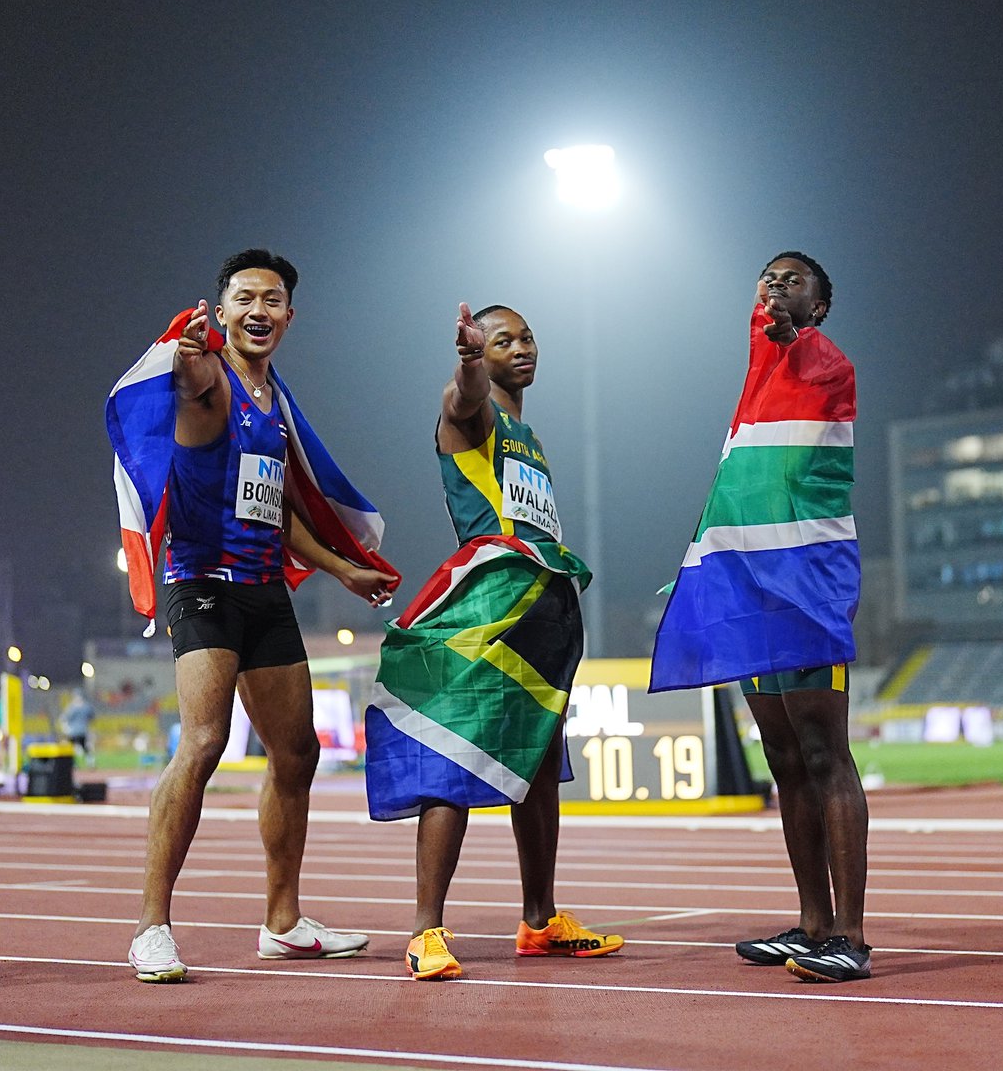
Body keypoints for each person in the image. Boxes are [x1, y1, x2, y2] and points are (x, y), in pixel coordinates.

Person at [107, 249, 400, 983]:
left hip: (265, 589)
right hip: (202, 581)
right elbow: (189, 381)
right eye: (244, 298)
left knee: (296, 753)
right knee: (203, 743)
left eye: (271, 300)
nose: (258, 311)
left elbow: (277, 513)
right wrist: (183, 356)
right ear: (224, 309)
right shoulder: (210, 380)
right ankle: (151, 928)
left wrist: (343, 569)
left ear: (289, 317)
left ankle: (283, 921)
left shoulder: (277, 408)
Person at [364, 302, 623, 980]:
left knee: (538, 763)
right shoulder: (470, 415)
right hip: (487, 608)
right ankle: (425, 932)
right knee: (455, 755)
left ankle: (540, 920)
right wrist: (469, 361)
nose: (521, 347)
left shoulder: (528, 435)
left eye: (526, 336)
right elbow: (462, 395)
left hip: (544, 604)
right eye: (502, 339)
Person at [650, 252, 870, 983]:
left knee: (823, 754)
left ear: (821, 306)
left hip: (806, 584)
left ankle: (851, 935)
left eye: (795, 280)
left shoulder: (827, 365)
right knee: (781, 759)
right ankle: (810, 923)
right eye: (768, 280)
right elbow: (763, 333)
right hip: (748, 585)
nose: (777, 289)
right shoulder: (756, 382)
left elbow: (792, 341)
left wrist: (787, 327)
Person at [58, 689, 96, 768]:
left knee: (71, 748)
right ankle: (90, 762)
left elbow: (63, 718)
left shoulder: (71, 707)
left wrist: (65, 728)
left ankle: (74, 764)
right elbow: (92, 718)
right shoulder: (86, 706)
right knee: (85, 747)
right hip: (82, 730)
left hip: (73, 731)